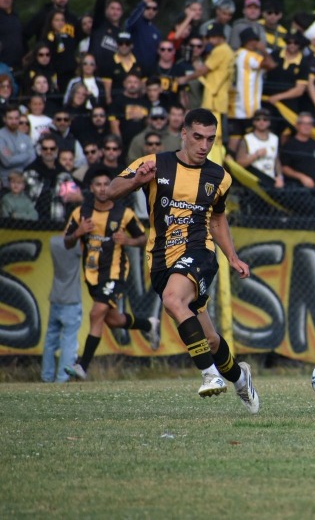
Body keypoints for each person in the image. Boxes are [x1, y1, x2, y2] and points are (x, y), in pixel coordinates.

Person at [107, 108, 259, 413]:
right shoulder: (155, 164)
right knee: (212, 340)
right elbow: (111, 191)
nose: (204, 145)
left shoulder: (219, 177)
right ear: (185, 134)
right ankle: (240, 378)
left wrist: (232, 256)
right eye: (199, 138)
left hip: (199, 252)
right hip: (161, 260)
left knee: (173, 300)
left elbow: (217, 219)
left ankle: (209, 375)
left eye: (211, 139)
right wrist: (137, 180)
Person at [63, 168, 160, 381]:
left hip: (115, 272)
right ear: (91, 188)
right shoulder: (81, 213)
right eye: (98, 184)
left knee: (96, 313)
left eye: (106, 184)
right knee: (113, 320)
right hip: (92, 275)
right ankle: (149, 324)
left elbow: (143, 239)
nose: (102, 188)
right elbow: (67, 241)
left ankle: (82, 366)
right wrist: (78, 233)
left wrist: (128, 241)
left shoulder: (124, 214)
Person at [40, 234, 82, 383]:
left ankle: (46, 376)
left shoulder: (54, 242)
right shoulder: (77, 246)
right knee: (69, 341)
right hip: (71, 299)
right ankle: (62, 379)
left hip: (56, 297)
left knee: (50, 341)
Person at [279, 112, 315, 189]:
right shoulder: (289, 145)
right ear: (297, 125)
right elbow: (284, 168)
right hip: (296, 188)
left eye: (309, 124)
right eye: (304, 124)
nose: (307, 126)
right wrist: (301, 177)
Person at [235, 109, 284, 188]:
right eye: (258, 119)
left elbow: (276, 160)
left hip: (270, 182)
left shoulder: (275, 139)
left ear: (269, 122)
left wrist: (280, 177)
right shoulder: (247, 139)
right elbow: (239, 163)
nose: (261, 122)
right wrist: (256, 155)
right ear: (254, 122)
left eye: (265, 119)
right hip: (253, 182)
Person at [0, 106, 37, 187]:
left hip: (25, 180)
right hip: (6, 182)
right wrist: (26, 154)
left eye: (16, 118)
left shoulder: (25, 137)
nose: (14, 121)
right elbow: (7, 162)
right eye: (10, 118)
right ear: (4, 119)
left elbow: (33, 158)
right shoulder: (1, 136)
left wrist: (15, 157)